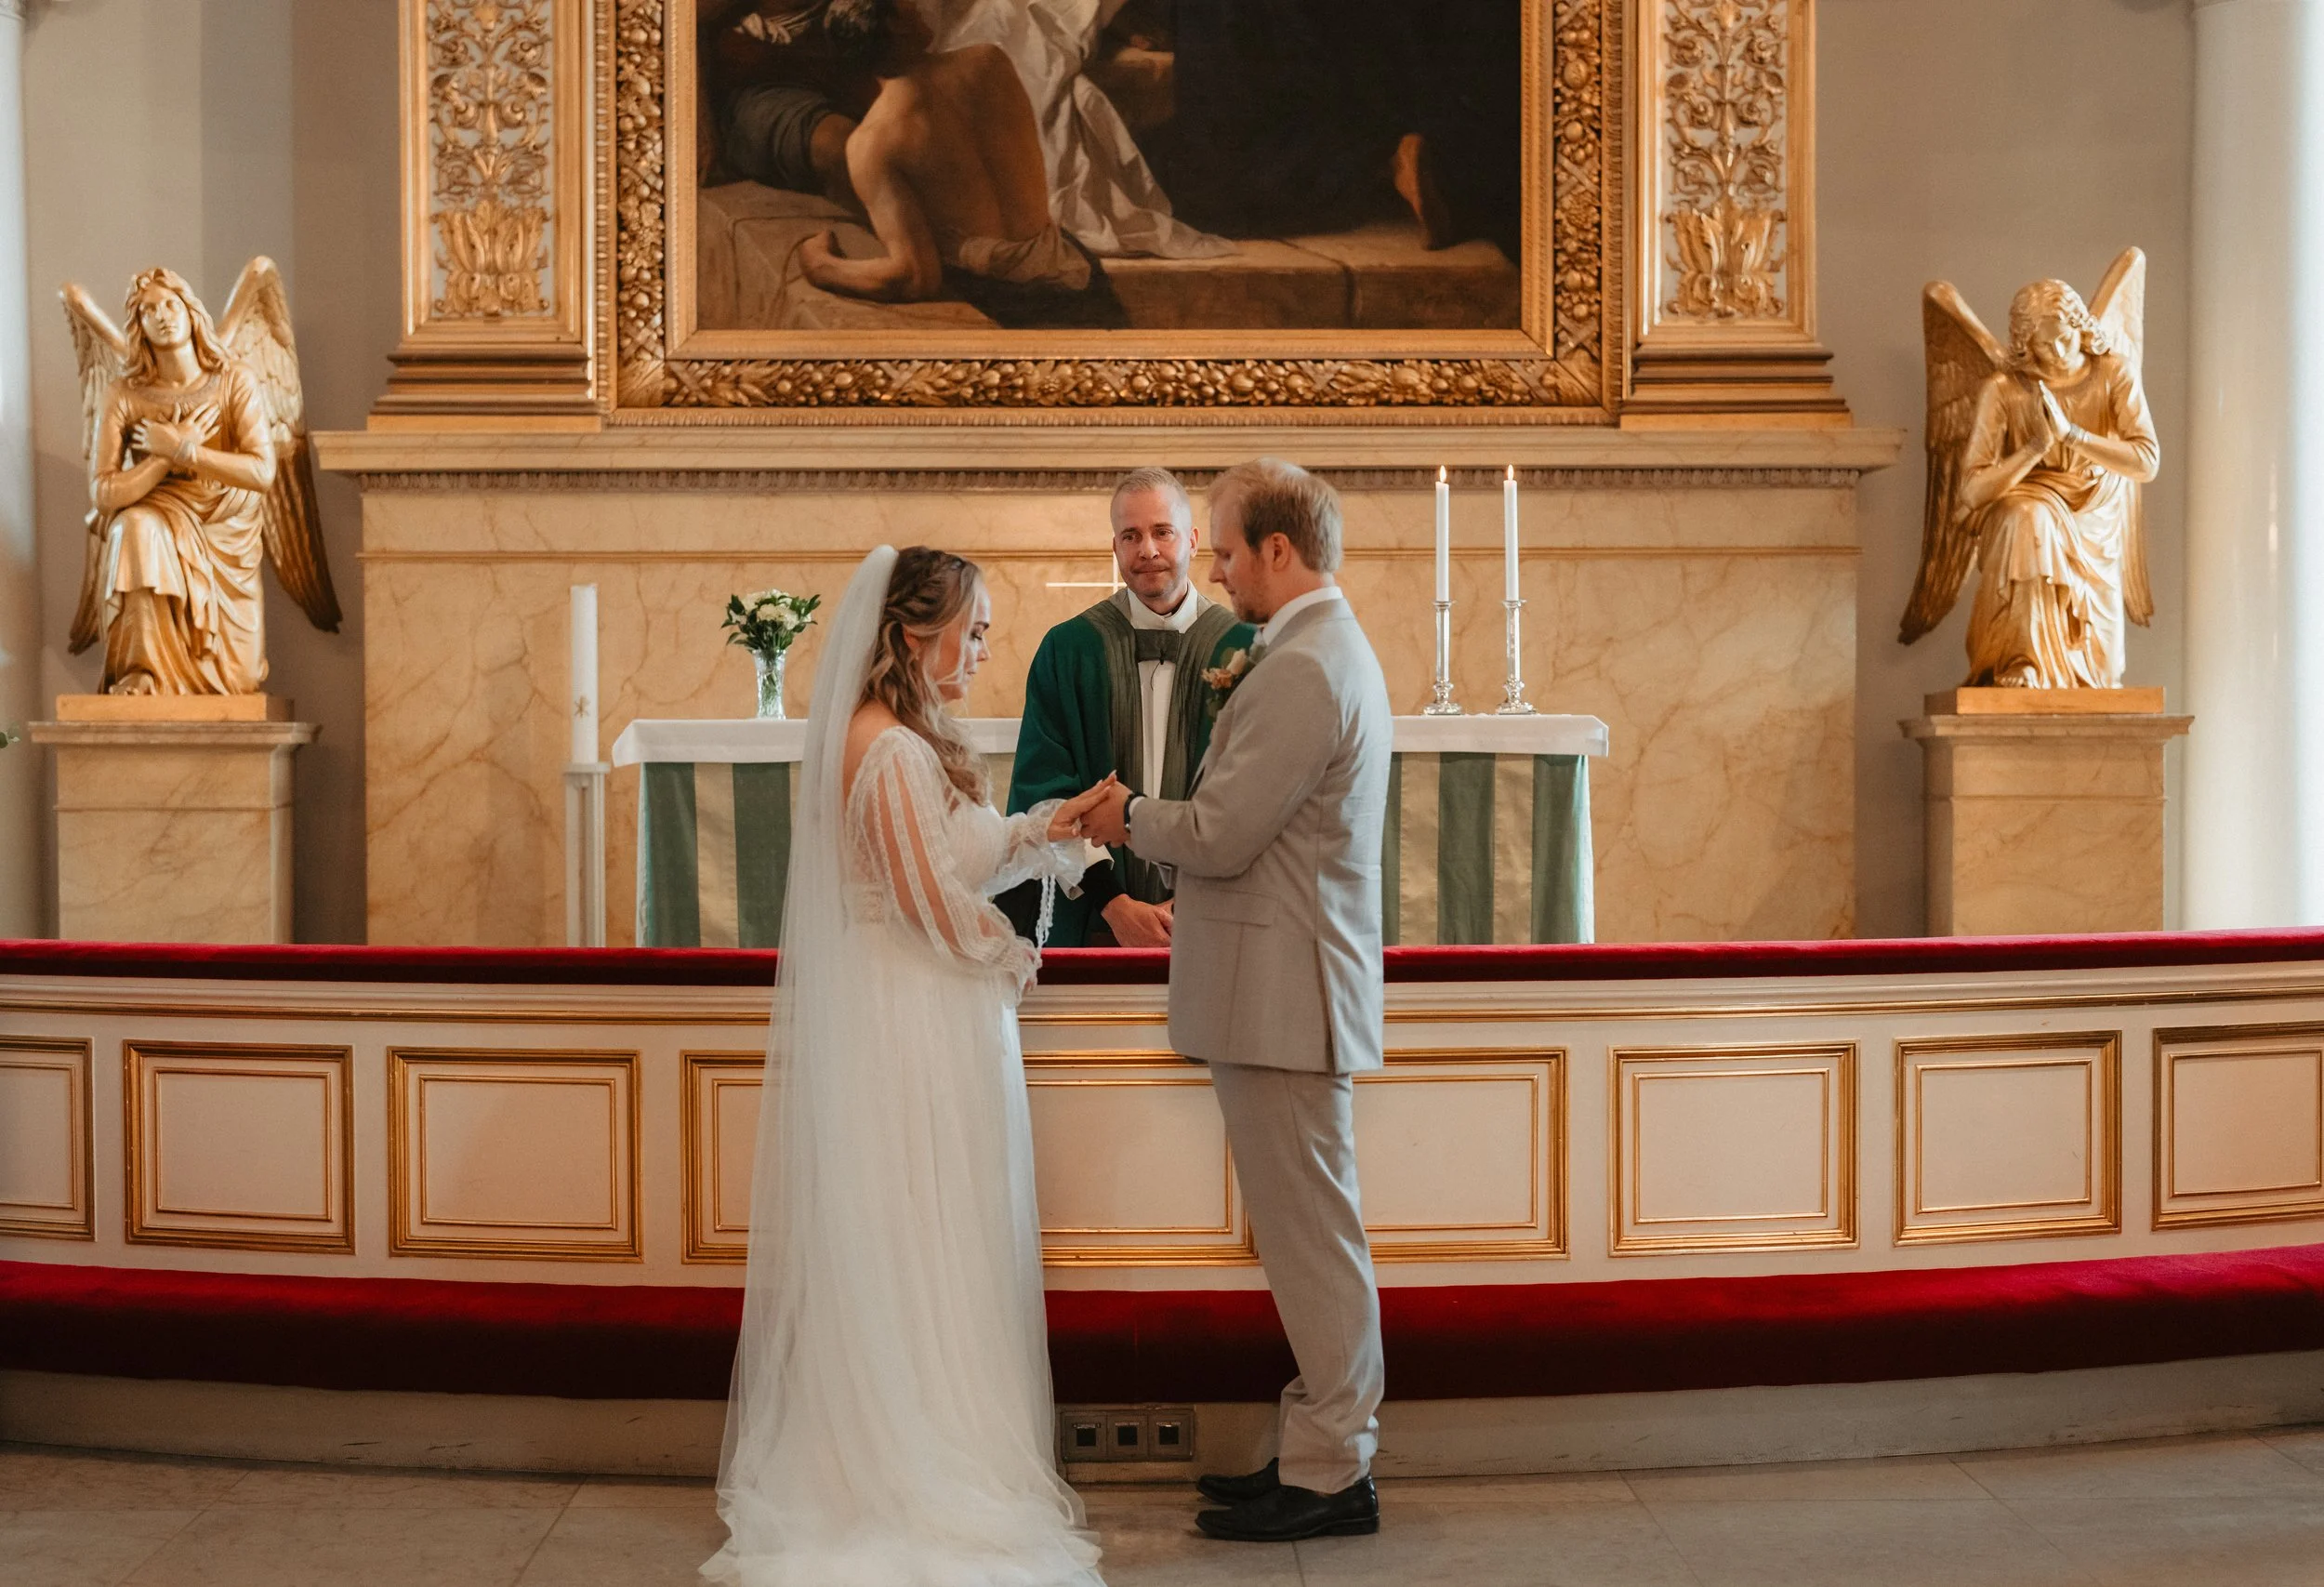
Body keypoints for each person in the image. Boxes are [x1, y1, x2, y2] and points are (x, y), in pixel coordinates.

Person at [706, 545, 1116, 1587]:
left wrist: (1044, 830)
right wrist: (1007, 951)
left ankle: (941, 1436)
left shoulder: (906, 741)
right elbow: (929, 902)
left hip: (931, 1010)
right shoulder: (883, 750)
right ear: (909, 634)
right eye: (969, 632)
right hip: (911, 1021)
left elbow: (955, 861)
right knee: (918, 1230)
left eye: (983, 634)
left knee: (940, 1231)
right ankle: (905, 1465)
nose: (981, 652)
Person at [1081, 459, 1393, 1543]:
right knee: (1305, 1238)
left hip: (1284, 994)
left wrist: (1128, 815)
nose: (1212, 567)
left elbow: (1219, 833)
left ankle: (1335, 1474)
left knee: (1314, 1243)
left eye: (1221, 548)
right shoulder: (1305, 649)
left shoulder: (1306, 665)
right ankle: (1316, 1454)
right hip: (1280, 989)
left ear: (1276, 549)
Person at [1001, 468, 1256, 948]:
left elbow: (1258, 798)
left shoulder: (1244, 648)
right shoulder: (1068, 649)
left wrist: (1187, 905)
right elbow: (1045, 792)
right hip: (1093, 917)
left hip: (1219, 918)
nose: (1148, 551)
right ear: (1115, 547)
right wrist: (1116, 906)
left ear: (1193, 539)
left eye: (1163, 532)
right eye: (1131, 536)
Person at [799, 0, 1128, 328]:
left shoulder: (871, 144)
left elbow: (915, 277)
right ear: (894, 23)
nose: (917, 6)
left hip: (1006, 303)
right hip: (1078, 283)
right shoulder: (988, 61)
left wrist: (823, 268)